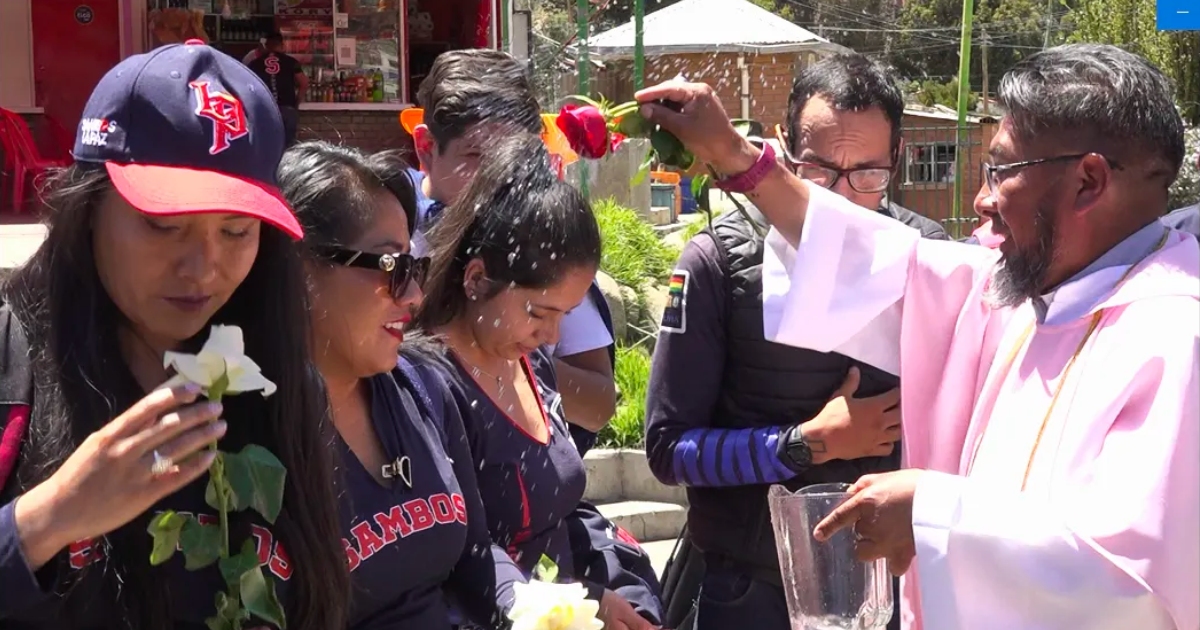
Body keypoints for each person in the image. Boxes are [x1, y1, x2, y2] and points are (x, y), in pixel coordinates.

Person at [635, 43, 1198, 630]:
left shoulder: (1174, 335)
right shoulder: (1029, 291)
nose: (981, 201)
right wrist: (733, 154)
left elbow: (1135, 591)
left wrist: (930, 513)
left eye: (1000, 171)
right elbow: (868, 261)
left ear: (1087, 181)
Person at [0, 42, 350, 629]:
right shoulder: (13, 370)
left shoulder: (277, 377)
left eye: (237, 230)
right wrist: (47, 520)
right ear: (87, 211)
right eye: (162, 226)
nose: (202, 269)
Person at [645, 53, 947, 630]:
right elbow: (667, 448)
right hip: (749, 589)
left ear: (898, 159)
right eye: (819, 172)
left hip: (888, 587)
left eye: (868, 175)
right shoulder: (718, 263)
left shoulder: (927, 260)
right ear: (784, 149)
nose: (840, 197)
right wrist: (801, 443)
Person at [409, 134, 663, 630]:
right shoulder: (424, 383)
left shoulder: (531, 362)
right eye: (538, 312)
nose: (551, 336)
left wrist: (618, 587)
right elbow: (462, 554)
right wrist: (585, 601)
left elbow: (561, 511)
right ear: (477, 278)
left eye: (565, 316)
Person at [277, 141, 520, 628]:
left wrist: (532, 605)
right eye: (392, 268)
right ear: (300, 271)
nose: (413, 295)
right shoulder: (245, 440)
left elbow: (476, 556)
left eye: (417, 267)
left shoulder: (425, 384)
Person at [410, 49, 617, 451]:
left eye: (514, 157)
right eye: (476, 156)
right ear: (425, 148)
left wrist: (507, 359)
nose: (497, 178)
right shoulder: (389, 232)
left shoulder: (545, 237)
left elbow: (599, 405)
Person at [247, 32, 307, 147]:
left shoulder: (255, 63)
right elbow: (303, 83)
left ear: (267, 45)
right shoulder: (291, 61)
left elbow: (247, 85)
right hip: (287, 107)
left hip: (265, 108)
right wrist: (297, 102)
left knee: (266, 144)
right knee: (288, 146)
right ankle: (286, 164)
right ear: (282, 45)